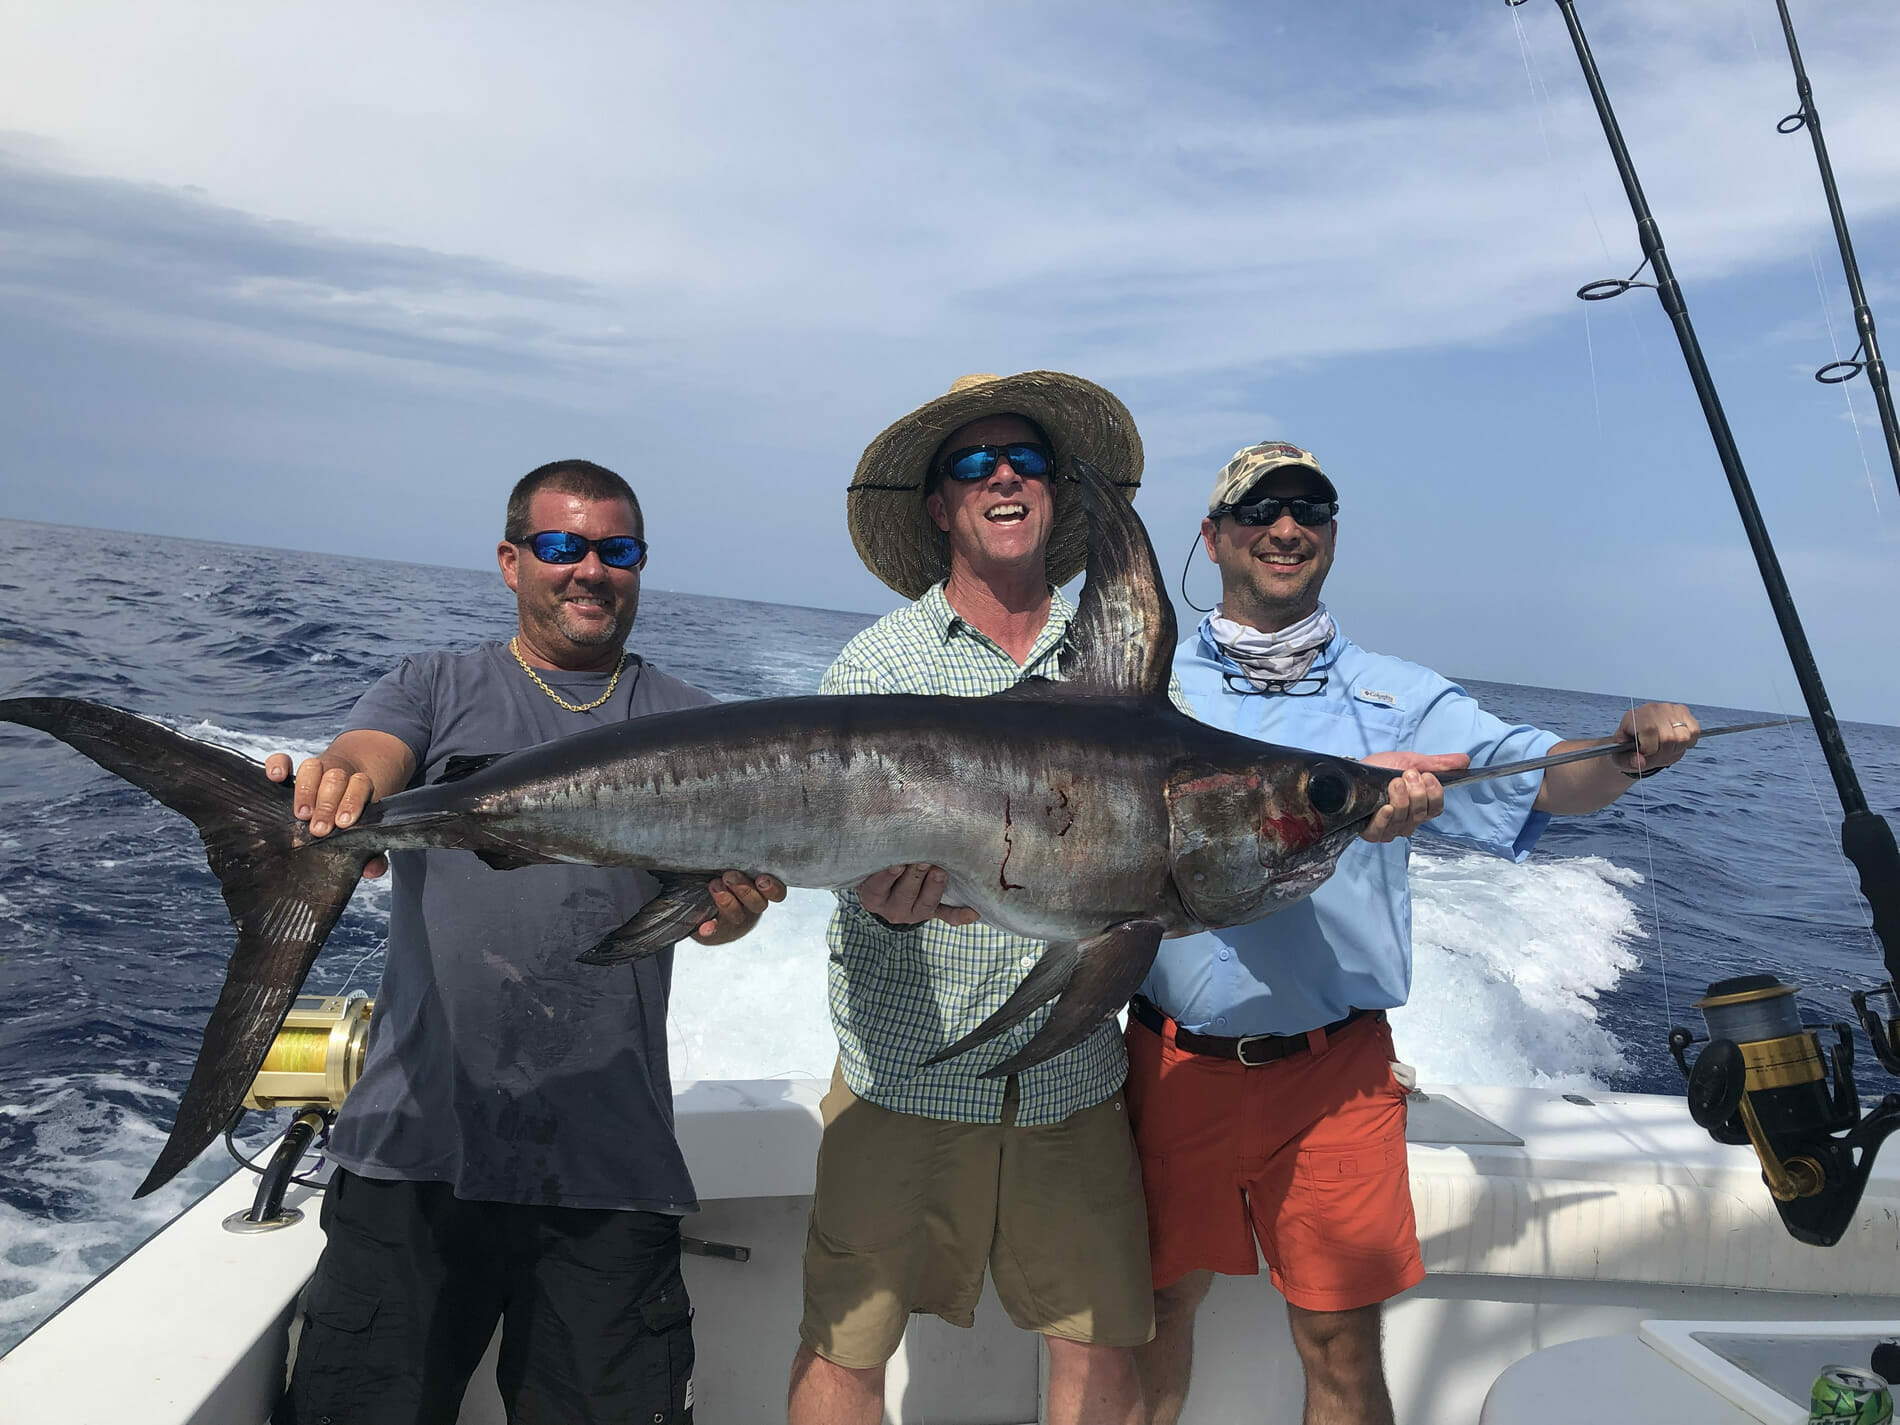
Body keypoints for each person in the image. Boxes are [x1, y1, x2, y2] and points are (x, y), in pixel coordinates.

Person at [1128, 441, 1700, 1425]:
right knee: (1155, 1313)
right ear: (1213, 536)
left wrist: (1628, 751)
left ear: (1332, 537)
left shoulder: (1401, 696)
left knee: (1340, 1341)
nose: (1285, 528)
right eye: (1259, 509)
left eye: (1309, 509)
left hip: (1333, 1079)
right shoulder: (1149, 685)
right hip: (1169, 1064)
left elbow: (1549, 779)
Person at [269, 459, 784, 1425]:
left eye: (615, 551)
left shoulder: (703, 727)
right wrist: (333, 786)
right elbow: (368, 757)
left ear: (638, 567)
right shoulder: (434, 683)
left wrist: (736, 909)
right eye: (561, 546)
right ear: (512, 561)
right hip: (412, 1153)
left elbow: (709, 917)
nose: (589, 569)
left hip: (608, 1168)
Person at [787, 373, 1162, 1425]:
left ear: (1052, 494)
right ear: (941, 506)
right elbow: (823, 849)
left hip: (1070, 1086)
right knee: (842, 1354)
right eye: (972, 464)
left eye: (1026, 459)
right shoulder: (876, 664)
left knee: (1101, 1362)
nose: (1003, 475)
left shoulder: (1116, 669)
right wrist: (877, 899)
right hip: (902, 1079)